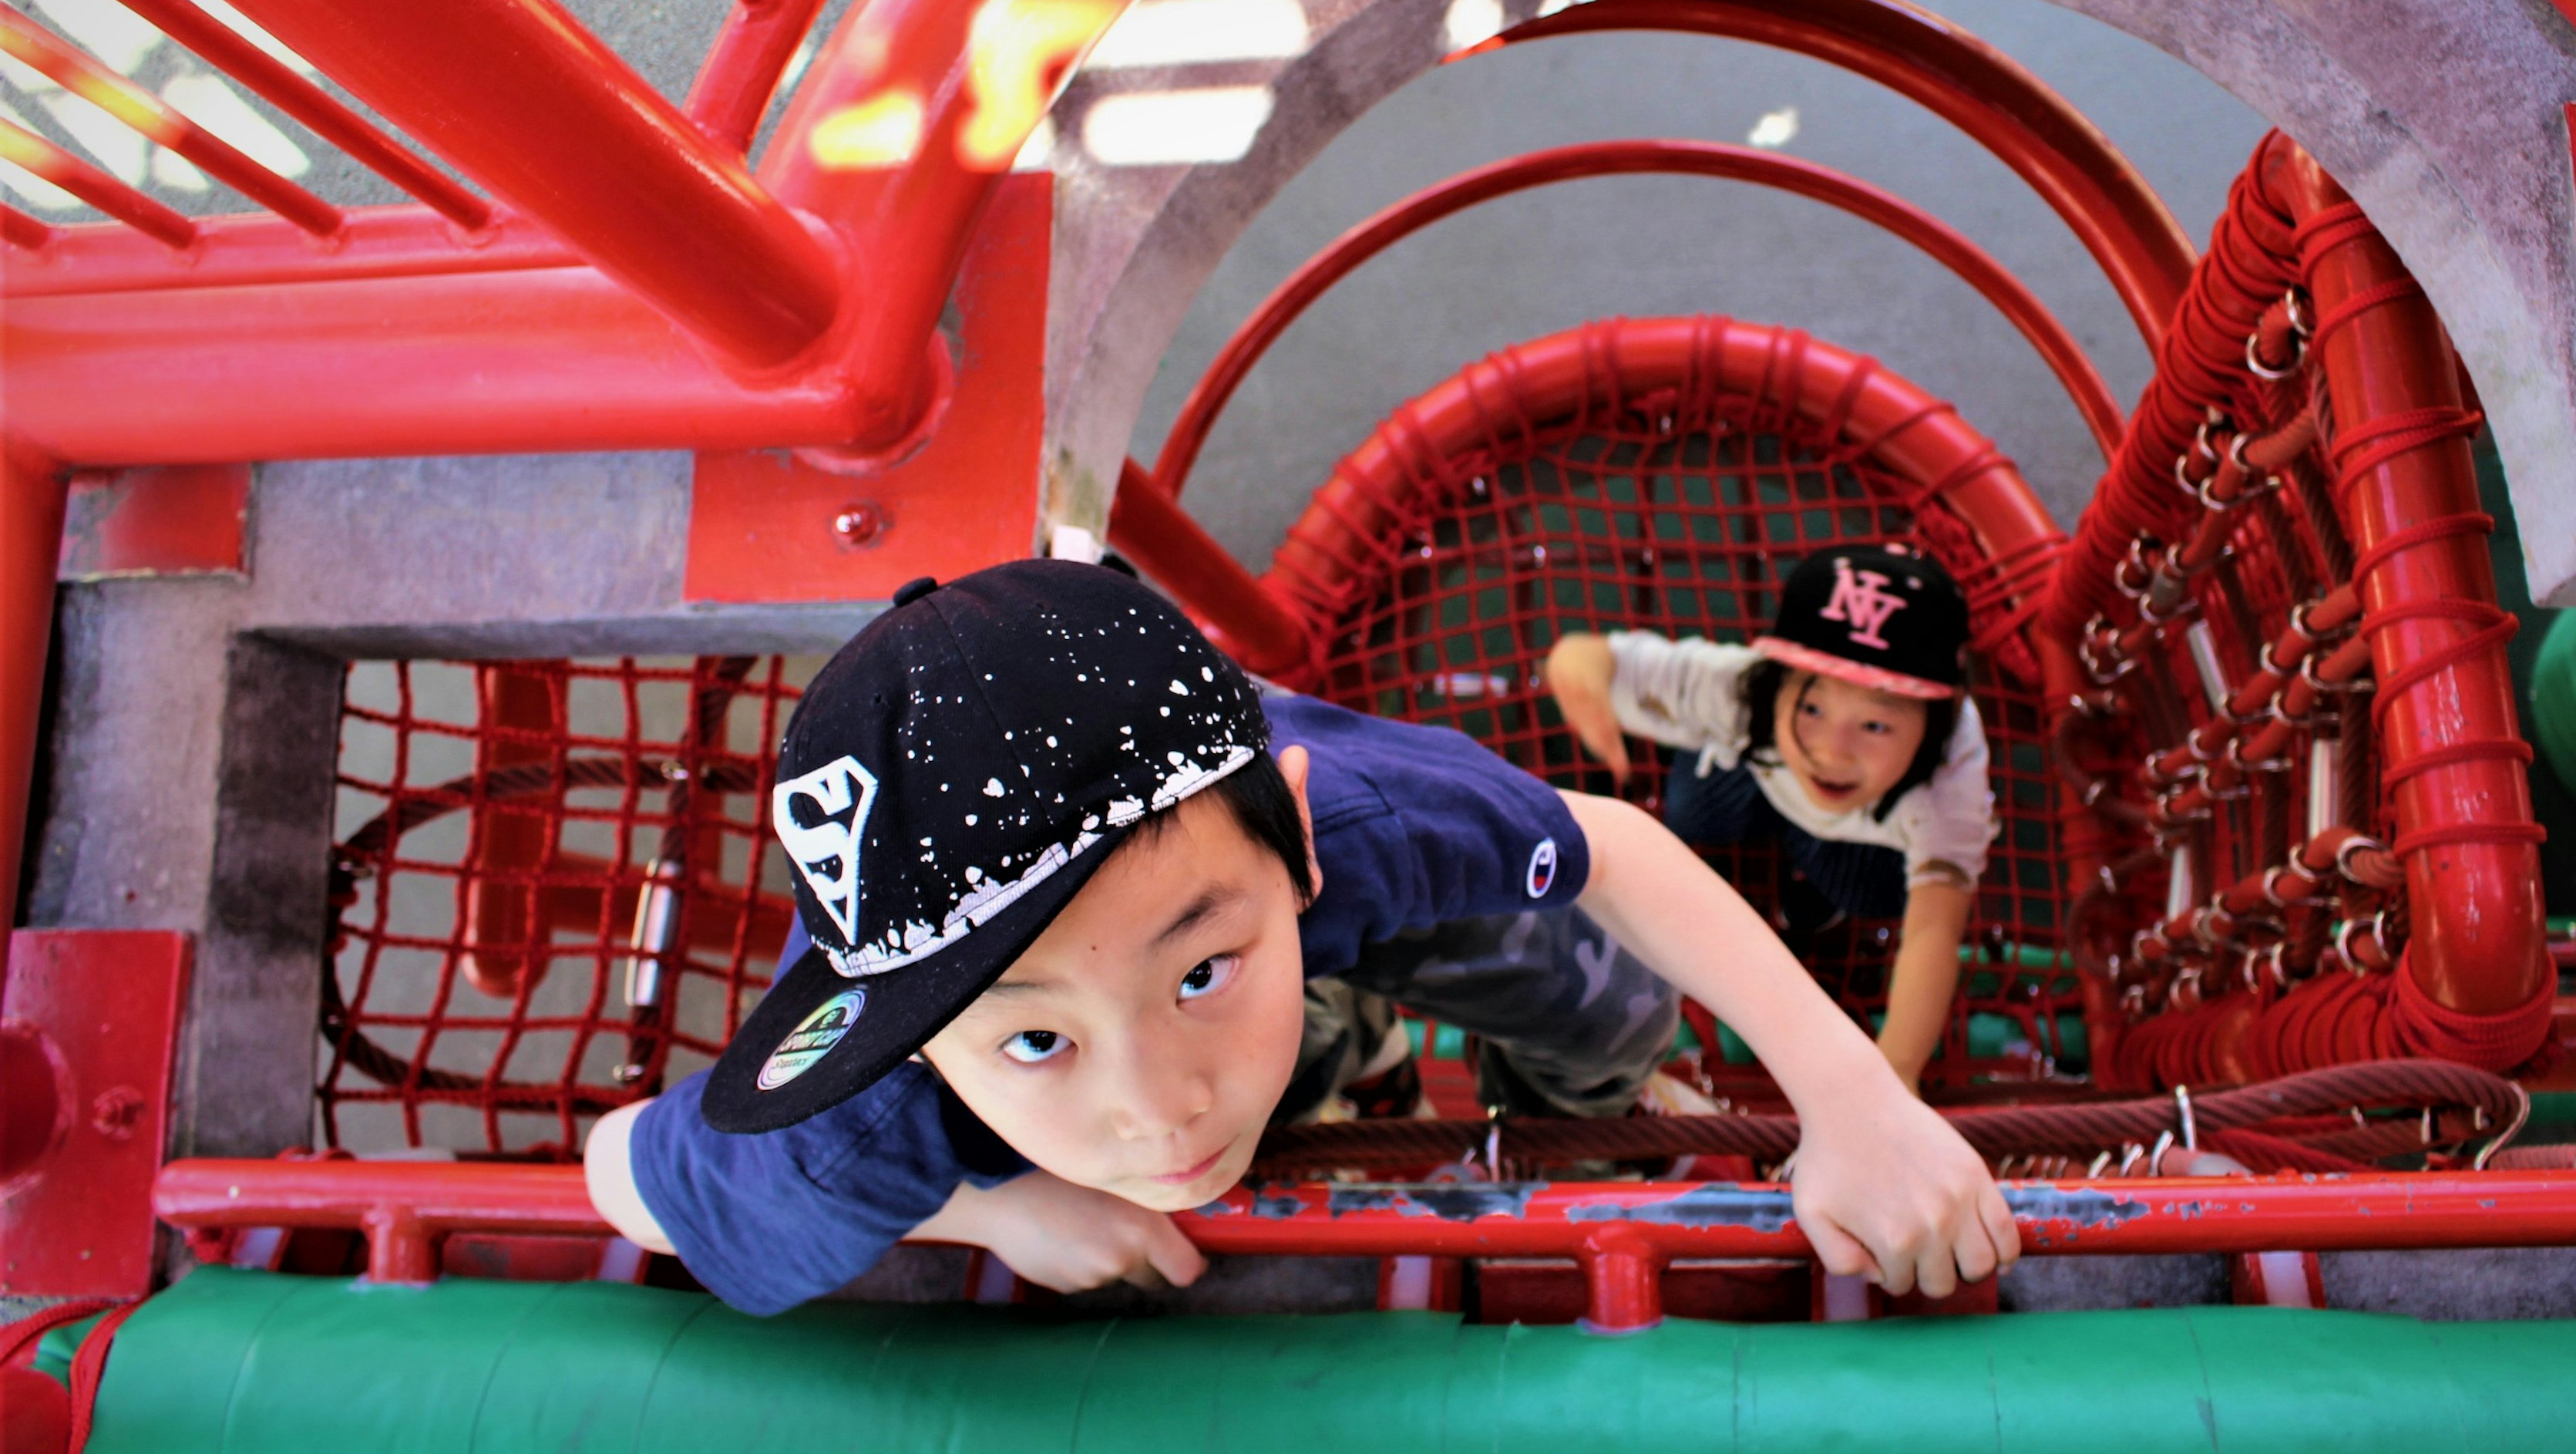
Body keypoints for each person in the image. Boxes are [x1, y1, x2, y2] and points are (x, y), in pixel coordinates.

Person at [586, 559, 2016, 1313]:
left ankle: (1492, 1059)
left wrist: (1852, 1098)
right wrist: (984, 1204)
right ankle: (1335, 1040)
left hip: (1299, 882)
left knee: (1598, 995)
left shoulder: (1355, 816)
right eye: (1033, 1040)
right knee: (1262, 1061)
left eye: (1202, 976)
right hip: (1198, 921)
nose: (1157, 1113)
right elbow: (622, 1175)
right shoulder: (875, 1111)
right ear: (915, 1035)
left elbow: (1610, 845)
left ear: (1301, 830)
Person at [1541, 542, 1993, 1094]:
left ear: (1937, 720)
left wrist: (1894, 1077)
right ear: (1775, 679)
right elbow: (1586, 655)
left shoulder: (1953, 767)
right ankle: (1759, 865)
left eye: (1875, 725)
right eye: (1812, 707)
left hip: (1866, 836)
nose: (1833, 749)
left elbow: (1934, 926)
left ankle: (1817, 889)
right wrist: (1581, 688)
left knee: (1865, 889)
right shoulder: (1739, 687)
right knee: (1691, 807)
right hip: (1757, 777)